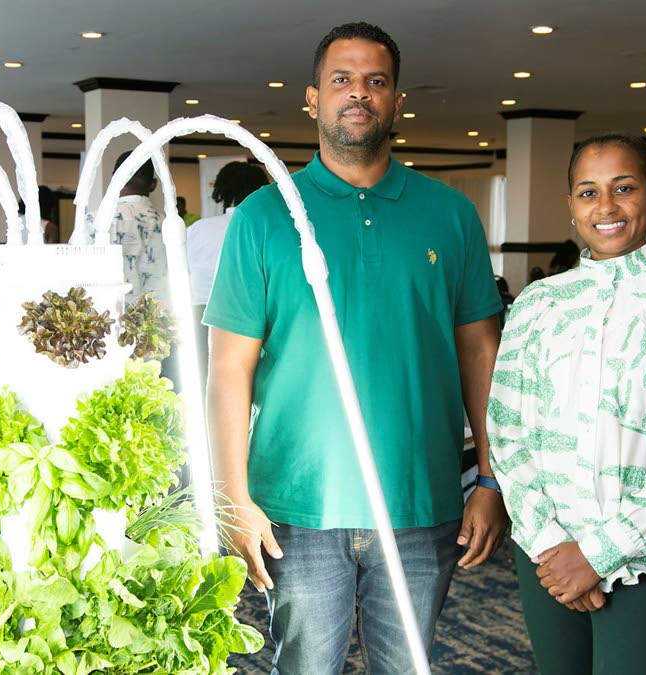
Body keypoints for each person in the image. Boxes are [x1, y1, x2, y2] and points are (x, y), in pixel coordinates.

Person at [204, 22, 507, 674]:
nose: (359, 93)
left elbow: (482, 353)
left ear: (397, 100)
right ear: (312, 98)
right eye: (342, 79)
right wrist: (231, 492)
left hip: (420, 507)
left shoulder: (449, 214)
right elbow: (229, 366)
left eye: (376, 80)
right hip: (297, 508)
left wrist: (490, 475)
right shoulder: (262, 217)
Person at [488, 133, 646, 675]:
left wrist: (598, 555)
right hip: (549, 552)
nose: (605, 207)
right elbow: (507, 429)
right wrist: (552, 545)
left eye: (623, 188)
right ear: (572, 206)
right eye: (588, 192)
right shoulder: (539, 303)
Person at [187, 161, 269, 382]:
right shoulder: (265, 230)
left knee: (201, 384)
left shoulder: (198, 229)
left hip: (198, 317)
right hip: (249, 318)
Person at [79, 151, 168, 306]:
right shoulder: (169, 224)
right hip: (160, 318)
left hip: (108, 315)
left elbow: (79, 273)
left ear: (115, 178)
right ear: (153, 184)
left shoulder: (95, 221)